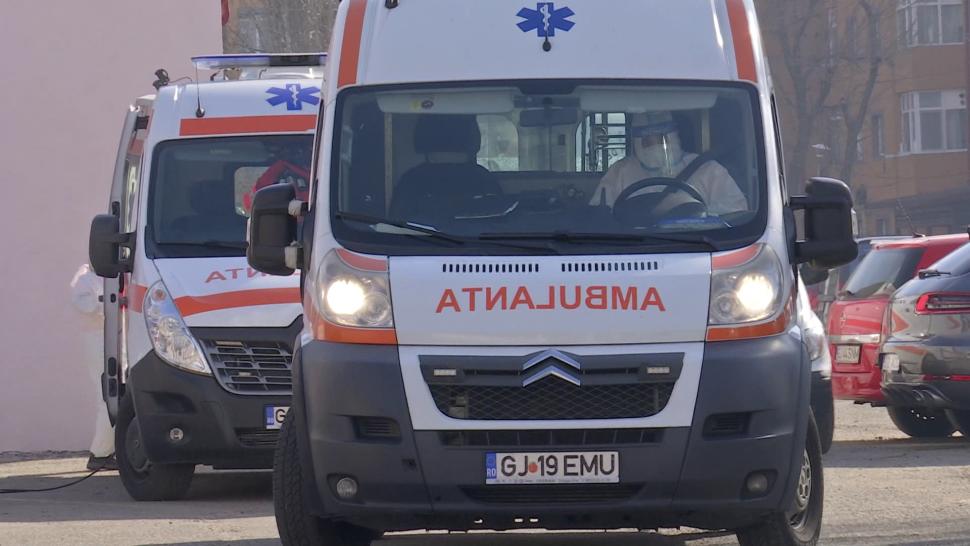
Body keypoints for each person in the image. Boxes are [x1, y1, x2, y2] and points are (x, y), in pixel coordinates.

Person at [590, 111, 748, 216]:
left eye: (661, 139)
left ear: (674, 137)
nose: (655, 147)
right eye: (647, 141)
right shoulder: (620, 172)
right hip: (631, 246)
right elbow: (600, 215)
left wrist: (696, 213)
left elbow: (736, 212)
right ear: (636, 142)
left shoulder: (708, 170)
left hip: (695, 246)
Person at [70, 264, 116, 471]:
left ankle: (111, 450)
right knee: (108, 397)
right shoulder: (85, 278)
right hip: (100, 340)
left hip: (121, 338)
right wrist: (111, 301)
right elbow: (86, 305)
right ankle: (100, 454)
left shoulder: (121, 274)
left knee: (121, 397)